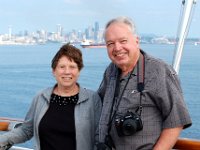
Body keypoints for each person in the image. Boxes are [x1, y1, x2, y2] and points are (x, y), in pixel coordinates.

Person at [96, 16, 192, 150]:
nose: (117, 48)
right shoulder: (110, 71)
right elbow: (97, 104)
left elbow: (176, 121)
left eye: (123, 41)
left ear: (136, 41)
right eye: (110, 43)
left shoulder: (158, 70)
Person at [0, 43, 102, 150]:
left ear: (79, 71)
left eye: (72, 67)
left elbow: (99, 137)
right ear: (54, 71)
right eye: (62, 67)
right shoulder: (41, 97)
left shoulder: (92, 99)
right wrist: (2, 140)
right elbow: (26, 130)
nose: (67, 72)